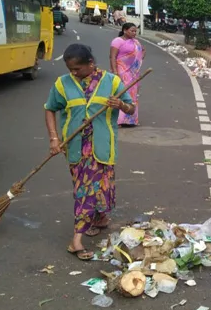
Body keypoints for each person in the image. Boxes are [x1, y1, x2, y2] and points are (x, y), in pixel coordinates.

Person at [45, 44, 135, 260]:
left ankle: (89, 228)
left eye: (77, 69)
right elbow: (50, 108)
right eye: (70, 69)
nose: (73, 73)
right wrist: (54, 138)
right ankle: (86, 229)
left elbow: (131, 108)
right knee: (84, 189)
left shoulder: (111, 82)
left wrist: (120, 104)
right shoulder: (62, 83)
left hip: (102, 145)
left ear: (91, 64)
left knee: (97, 188)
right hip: (75, 147)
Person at [110, 23, 145, 127]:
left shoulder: (136, 42)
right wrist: (115, 72)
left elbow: (140, 55)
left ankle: (130, 120)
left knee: (132, 95)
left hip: (133, 73)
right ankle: (119, 120)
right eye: (132, 31)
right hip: (121, 71)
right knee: (121, 93)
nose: (134, 33)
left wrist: (142, 54)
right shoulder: (117, 41)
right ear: (125, 30)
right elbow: (112, 57)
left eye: (135, 31)